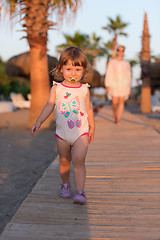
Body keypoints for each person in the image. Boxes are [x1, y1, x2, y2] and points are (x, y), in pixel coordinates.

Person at [31, 47, 95, 205]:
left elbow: (88, 109)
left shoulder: (84, 89)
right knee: (65, 160)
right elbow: (49, 106)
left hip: (81, 131)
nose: (73, 73)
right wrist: (39, 121)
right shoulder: (57, 88)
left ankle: (80, 192)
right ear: (61, 68)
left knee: (79, 160)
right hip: (62, 133)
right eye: (69, 69)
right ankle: (65, 185)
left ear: (84, 70)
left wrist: (92, 127)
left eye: (77, 69)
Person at [105, 45, 132, 124]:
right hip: (114, 85)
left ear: (124, 52)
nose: (120, 52)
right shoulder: (112, 62)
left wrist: (129, 87)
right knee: (114, 102)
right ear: (117, 51)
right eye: (119, 50)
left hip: (124, 85)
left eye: (122, 50)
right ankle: (114, 114)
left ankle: (118, 118)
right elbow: (109, 73)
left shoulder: (126, 63)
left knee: (121, 102)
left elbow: (128, 75)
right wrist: (107, 85)